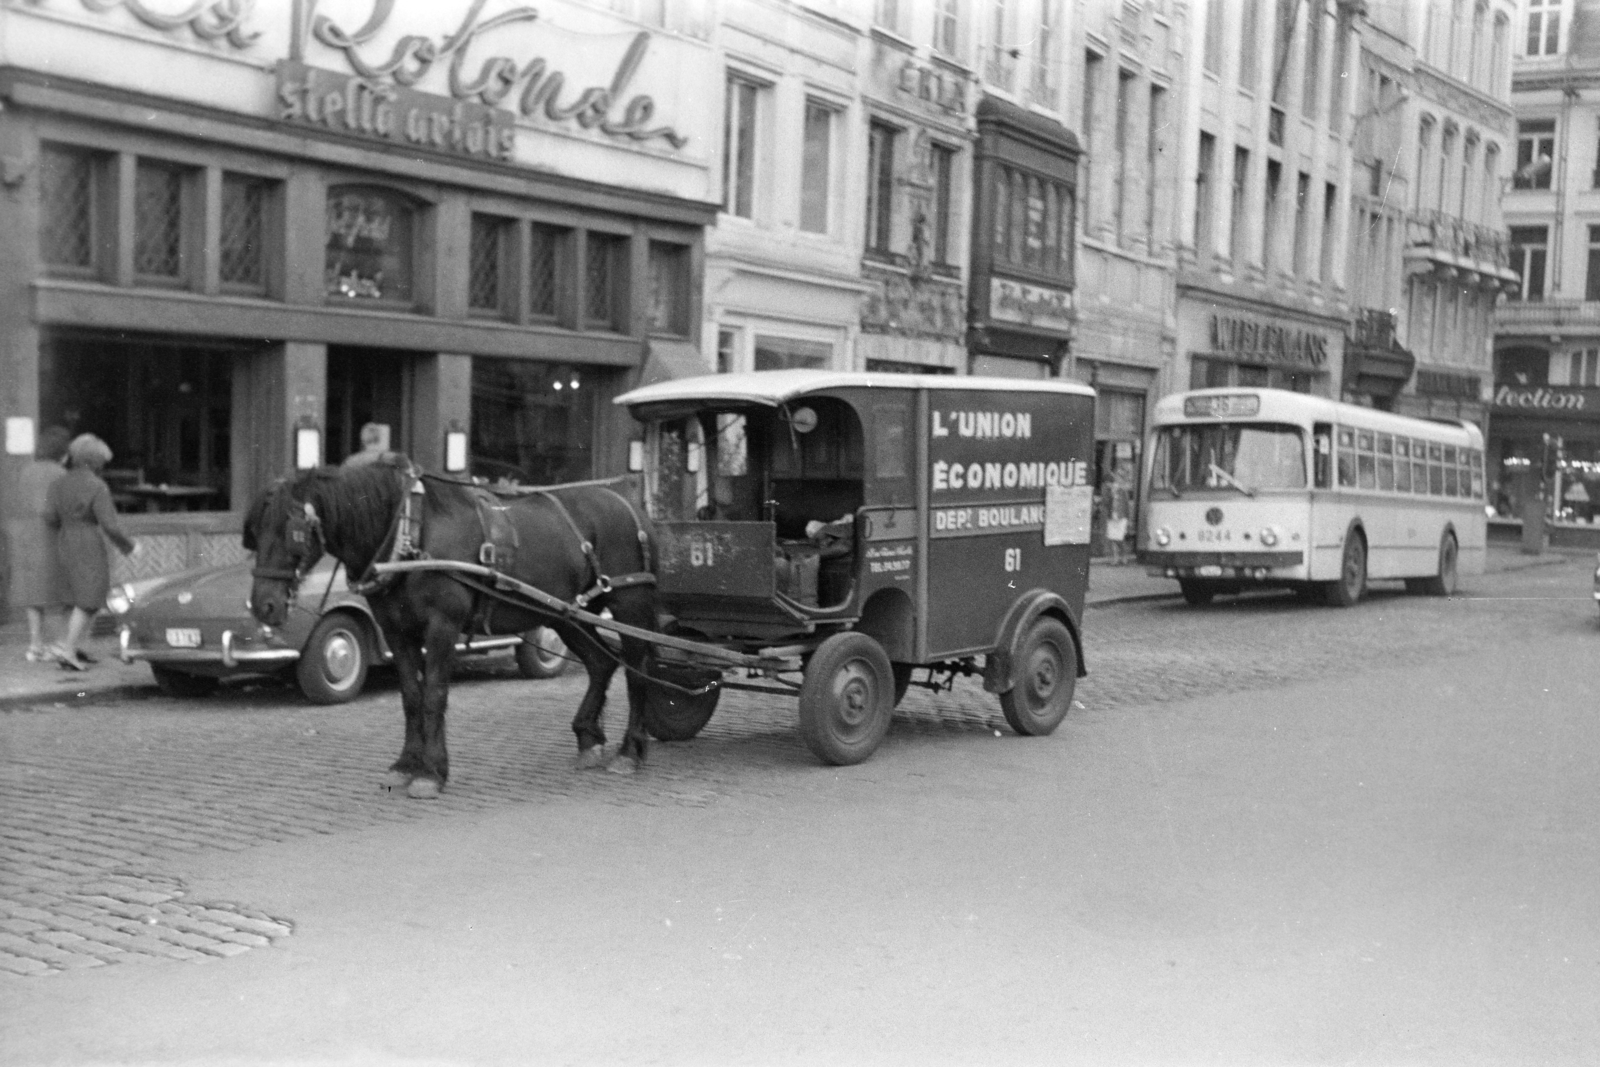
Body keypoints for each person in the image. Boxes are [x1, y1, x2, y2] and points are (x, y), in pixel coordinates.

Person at [43, 433, 138, 671]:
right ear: (95, 461)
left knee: (71, 597)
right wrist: (130, 546)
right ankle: (68, 652)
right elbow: (110, 525)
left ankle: (72, 646)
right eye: (102, 462)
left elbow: (49, 517)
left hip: (64, 541)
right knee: (89, 598)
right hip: (87, 543)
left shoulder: (58, 483)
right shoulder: (97, 486)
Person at [13, 426, 72, 662]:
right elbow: (61, 509)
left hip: (27, 537)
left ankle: (35, 644)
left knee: (33, 593)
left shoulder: (26, 472)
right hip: (53, 538)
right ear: (63, 452)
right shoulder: (60, 474)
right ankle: (57, 644)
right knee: (58, 595)